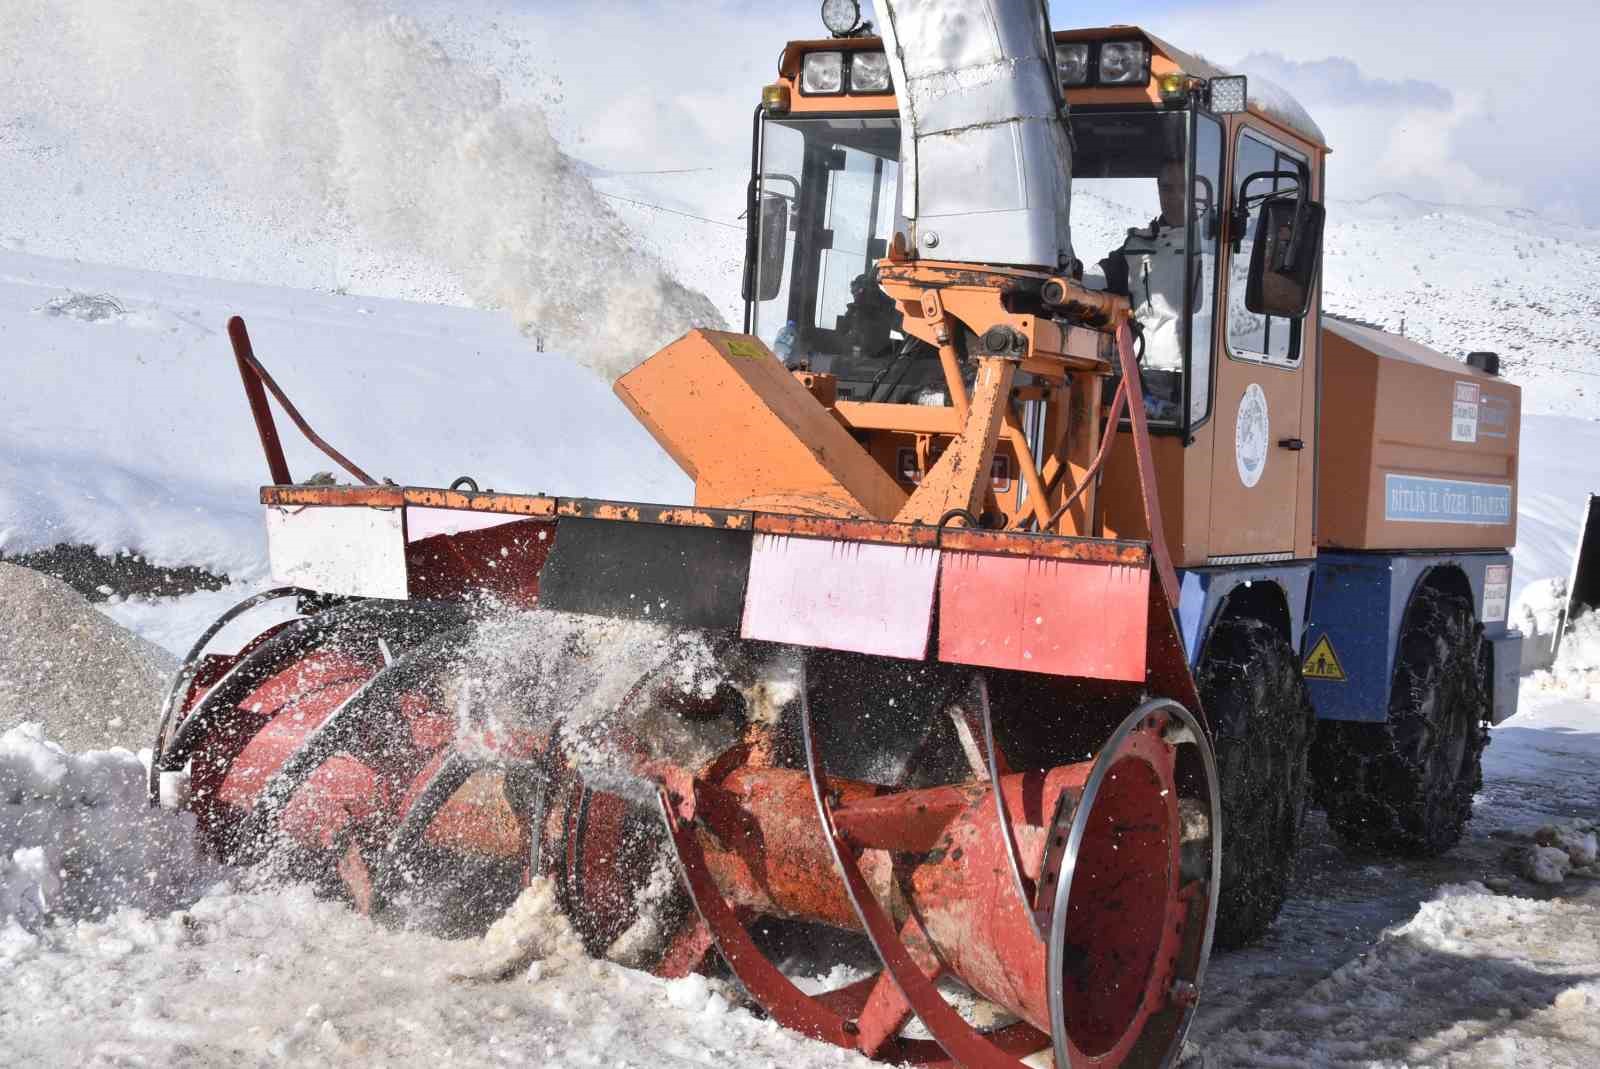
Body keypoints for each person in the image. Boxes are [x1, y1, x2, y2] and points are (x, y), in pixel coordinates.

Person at [1095, 160, 1201, 421]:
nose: (1175, 197)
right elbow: (1098, 278)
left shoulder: (1214, 244)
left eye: (1183, 188)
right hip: (1148, 373)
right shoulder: (1137, 245)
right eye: (1167, 188)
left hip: (1202, 375)